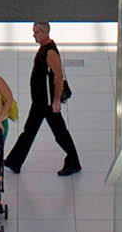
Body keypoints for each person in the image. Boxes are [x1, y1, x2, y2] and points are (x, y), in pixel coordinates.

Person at [5, 21, 82, 176]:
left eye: (36, 32)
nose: (33, 35)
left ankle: (73, 161)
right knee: (29, 131)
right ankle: (14, 161)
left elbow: (59, 77)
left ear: (44, 32)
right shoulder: (43, 48)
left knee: (59, 133)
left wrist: (55, 101)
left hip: (46, 104)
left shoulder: (50, 52)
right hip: (39, 102)